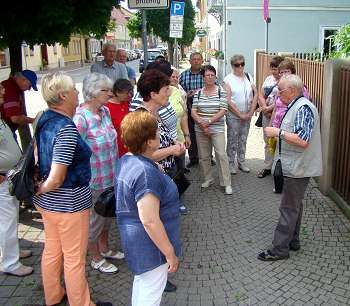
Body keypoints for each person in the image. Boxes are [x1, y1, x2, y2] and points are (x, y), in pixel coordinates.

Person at [34, 72, 111, 306]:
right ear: (63, 95)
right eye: (74, 90)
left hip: (50, 205)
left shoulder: (43, 118)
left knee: (53, 251)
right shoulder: (66, 128)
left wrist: (41, 192)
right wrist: (41, 189)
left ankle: (53, 295)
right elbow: (57, 177)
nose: (78, 93)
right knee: (74, 259)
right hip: (68, 203)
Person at [115, 110, 181, 306]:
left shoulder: (127, 160)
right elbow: (150, 220)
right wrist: (169, 252)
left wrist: (152, 166)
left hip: (137, 242)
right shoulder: (144, 173)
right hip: (151, 246)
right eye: (156, 132)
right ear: (149, 141)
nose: (160, 134)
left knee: (144, 286)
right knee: (150, 294)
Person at [258, 74, 322, 261]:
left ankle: (279, 249)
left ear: (292, 91)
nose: (278, 94)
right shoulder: (296, 105)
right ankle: (293, 241)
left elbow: (302, 140)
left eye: (281, 91)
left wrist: (277, 132)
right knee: (295, 205)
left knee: (288, 207)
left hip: (298, 167)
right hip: (295, 166)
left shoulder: (303, 108)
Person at [74, 73, 123, 274]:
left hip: (110, 175)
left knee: (107, 216)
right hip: (93, 180)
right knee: (94, 220)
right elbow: (74, 153)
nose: (110, 93)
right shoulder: (81, 118)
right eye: (105, 90)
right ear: (92, 93)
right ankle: (94, 256)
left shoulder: (104, 111)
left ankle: (104, 248)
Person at [0, 82, 33, 277]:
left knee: (9, 219)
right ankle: (10, 263)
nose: (4, 90)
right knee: (7, 220)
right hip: (2, 179)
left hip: (8, 176)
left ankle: (11, 252)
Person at [191, 65, 232, 195]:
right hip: (200, 129)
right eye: (207, 75)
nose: (210, 77)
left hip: (217, 128)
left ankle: (226, 183)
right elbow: (193, 111)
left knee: (221, 155)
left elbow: (223, 110)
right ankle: (208, 179)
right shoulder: (198, 93)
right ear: (203, 78)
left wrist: (208, 122)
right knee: (204, 156)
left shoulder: (221, 91)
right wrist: (202, 124)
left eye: (212, 75)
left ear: (215, 76)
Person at [223, 54, 258, 174]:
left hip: (247, 114)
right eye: (237, 65)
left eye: (242, 64)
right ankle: (231, 162)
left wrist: (251, 111)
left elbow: (255, 93)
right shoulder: (228, 79)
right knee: (233, 139)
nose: (240, 67)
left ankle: (241, 161)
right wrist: (240, 114)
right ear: (232, 66)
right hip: (233, 115)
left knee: (243, 138)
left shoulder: (248, 76)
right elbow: (227, 100)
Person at [130, 60, 178, 142]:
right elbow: (144, 150)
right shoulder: (141, 115)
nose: (169, 93)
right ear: (153, 94)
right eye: (166, 89)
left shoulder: (156, 108)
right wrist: (172, 149)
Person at [257, 56, 285, 179]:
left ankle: (279, 167)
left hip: (278, 115)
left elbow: (282, 100)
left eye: (276, 69)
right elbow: (261, 94)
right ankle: (268, 166)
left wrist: (269, 109)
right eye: (272, 69)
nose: (274, 72)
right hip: (266, 114)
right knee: (268, 141)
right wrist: (264, 107)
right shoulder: (268, 79)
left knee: (279, 141)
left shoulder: (285, 81)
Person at [169, 68, 191, 214]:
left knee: (179, 169)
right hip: (165, 141)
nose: (175, 79)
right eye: (172, 76)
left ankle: (179, 198)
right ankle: (169, 201)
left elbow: (184, 115)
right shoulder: (157, 93)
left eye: (177, 76)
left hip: (179, 138)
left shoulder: (178, 92)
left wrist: (187, 135)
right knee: (168, 171)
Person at [179, 52, 204, 168]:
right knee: (191, 132)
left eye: (198, 59)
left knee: (206, 132)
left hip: (204, 107)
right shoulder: (183, 75)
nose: (196, 61)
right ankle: (193, 158)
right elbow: (178, 92)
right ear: (189, 61)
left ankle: (207, 157)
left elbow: (215, 88)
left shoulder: (207, 74)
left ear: (202, 61)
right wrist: (187, 95)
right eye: (193, 59)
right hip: (188, 107)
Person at [106, 79, 133, 157]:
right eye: (127, 93)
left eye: (130, 92)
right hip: (118, 149)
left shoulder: (128, 102)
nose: (129, 95)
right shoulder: (107, 108)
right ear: (117, 93)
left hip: (131, 146)